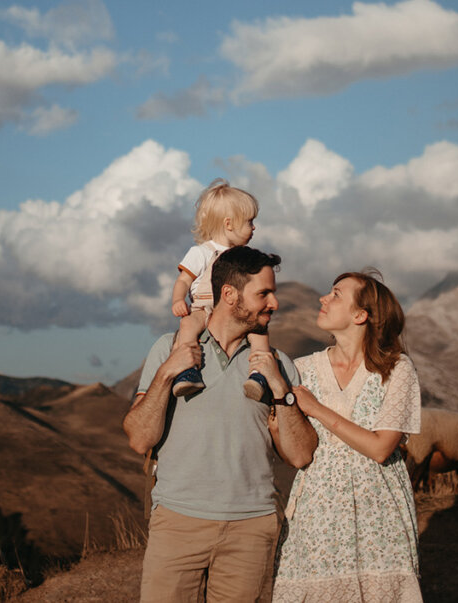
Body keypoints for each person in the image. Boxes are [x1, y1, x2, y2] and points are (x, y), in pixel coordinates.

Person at [124, 246, 319, 602]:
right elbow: (139, 438)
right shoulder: (169, 348)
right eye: (264, 293)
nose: (274, 303)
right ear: (229, 294)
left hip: (252, 527)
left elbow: (302, 455)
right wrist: (168, 371)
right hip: (177, 522)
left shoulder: (278, 363)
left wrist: (281, 391)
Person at [273, 269, 423, 602]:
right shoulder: (302, 369)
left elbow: (382, 448)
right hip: (317, 512)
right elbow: (297, 455)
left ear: (361, 315)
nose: (323, 298)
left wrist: (316, 409)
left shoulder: (397, 370)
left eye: (336, 294)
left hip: (379, 513)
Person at [169, 179, 272, 400]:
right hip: (203, 309)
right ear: (229, 224)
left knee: (259, 333)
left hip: (233, 312)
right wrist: (178, 299)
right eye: (249, 222)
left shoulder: (243, 258)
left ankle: (258, 374)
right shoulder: (201, 253)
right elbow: (184, 281)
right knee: (187, 327)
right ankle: (188, 369)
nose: (254, 228)